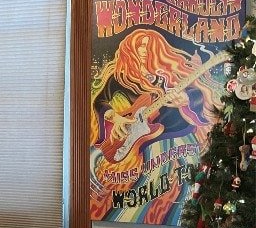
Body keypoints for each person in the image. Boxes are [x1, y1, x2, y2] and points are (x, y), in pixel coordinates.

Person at [91, 29, 218, 164]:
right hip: (137, 141)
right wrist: (116, 118)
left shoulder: (164, 76)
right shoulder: (121, 78)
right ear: (130, 48)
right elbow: (100, 101)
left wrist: (186, 99)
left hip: (174, 137)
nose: (145, 50)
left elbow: (194, 93)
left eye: (149, 46)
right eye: (141, 46)